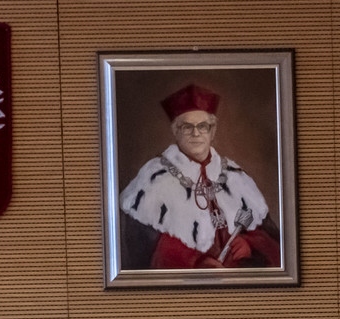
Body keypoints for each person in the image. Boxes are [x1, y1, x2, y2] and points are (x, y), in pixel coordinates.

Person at [119, 83, 281, 270]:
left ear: (212, 131)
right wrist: (194, 263)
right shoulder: (152, 180)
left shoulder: (236, 177)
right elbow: (139, 254)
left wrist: (249, 245)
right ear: (176, 131)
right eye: (187, 127)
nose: (195, 133)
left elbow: (273, 242)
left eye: (202, 126)